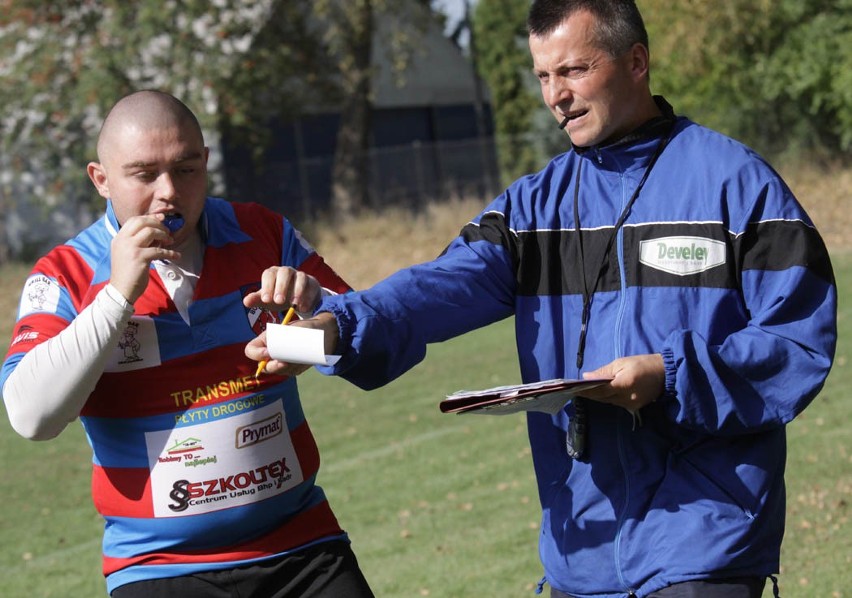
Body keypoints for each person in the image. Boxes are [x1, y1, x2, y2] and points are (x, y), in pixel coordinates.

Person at [245, 1, 838, 597]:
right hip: (581, 550)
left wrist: (670, 376)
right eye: (543, 76)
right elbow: (434, 289)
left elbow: (795, 340)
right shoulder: (533, 211)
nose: (557, 96)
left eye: (575, 70)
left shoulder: (736, 183)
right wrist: (333, 328)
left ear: (637, 62)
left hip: (705, 542)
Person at [1, 90, 374, 598]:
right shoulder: (63, 275)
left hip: (302, 547)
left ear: (206, 162)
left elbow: (367, 332)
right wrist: (116, 297)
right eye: (144, 174)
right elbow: (31, 418)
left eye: (186, 168)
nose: (169, 192)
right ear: (101, 179)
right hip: (161, 568)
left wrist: (315, 319)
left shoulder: (262, 232)